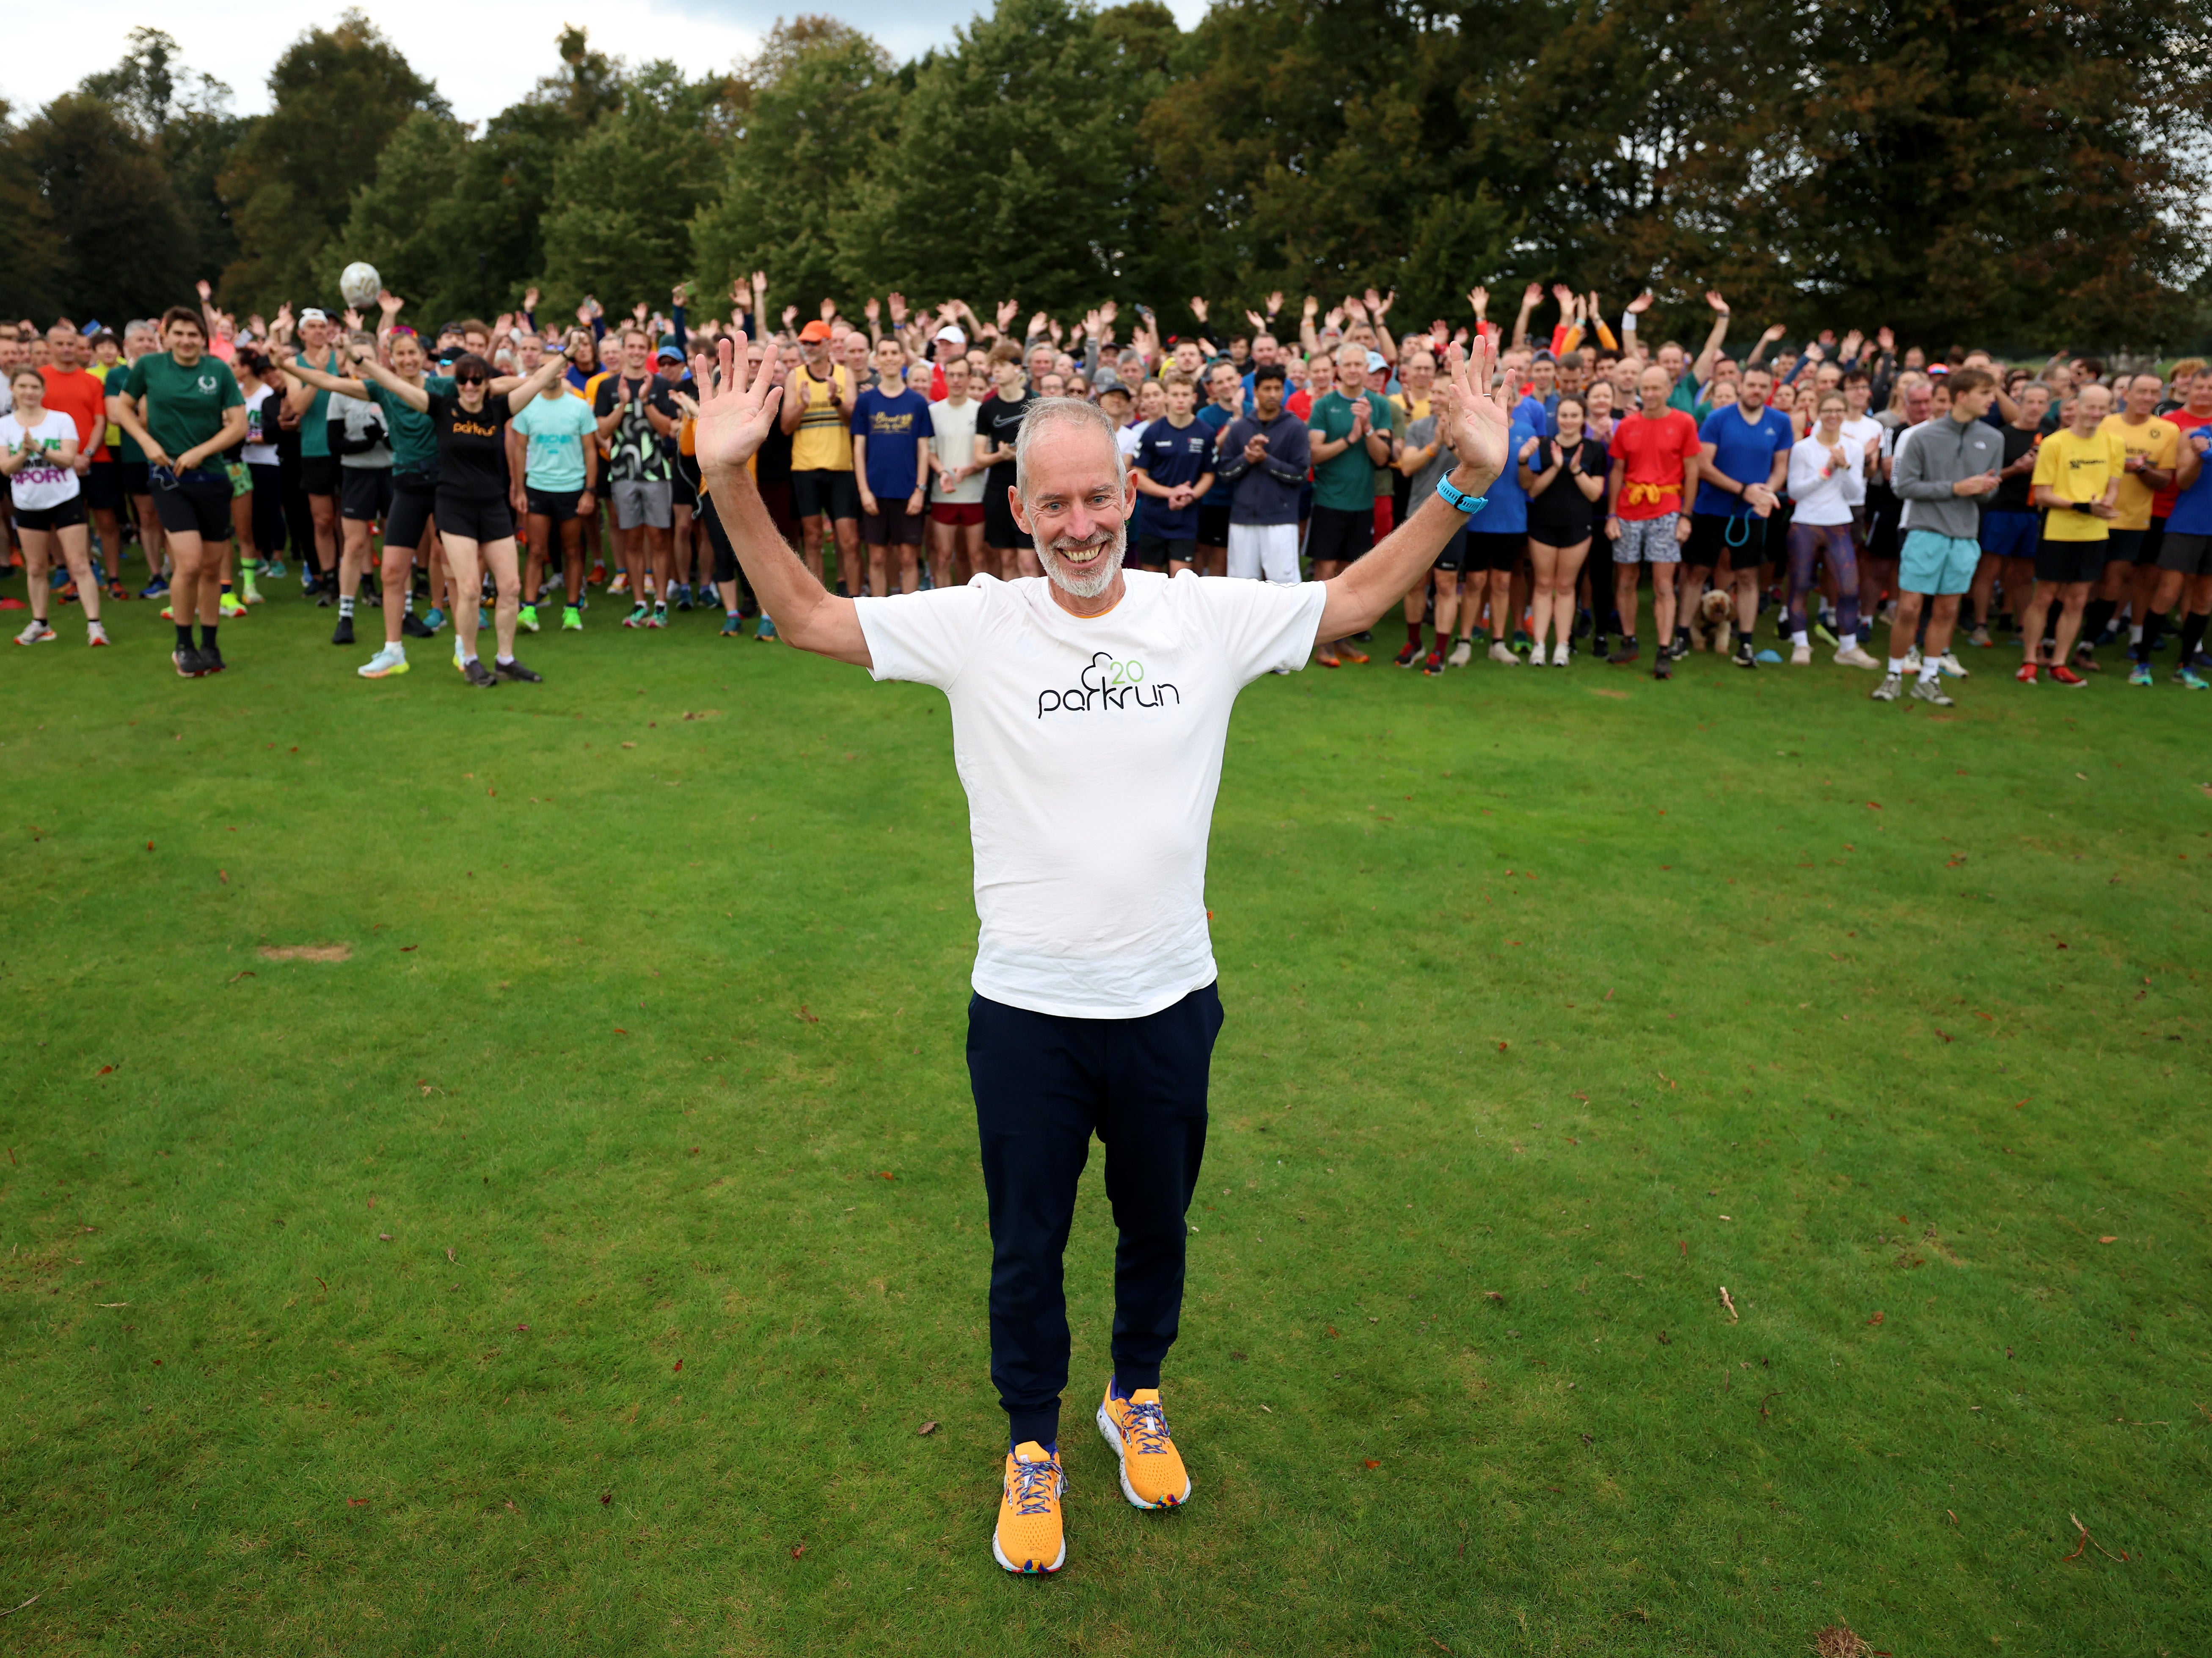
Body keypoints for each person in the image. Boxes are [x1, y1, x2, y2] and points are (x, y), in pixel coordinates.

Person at [689, 328, 1509, 1580]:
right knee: (1024, 1250)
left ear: (1128, 497)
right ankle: (1031, 1446)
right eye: (1054, 504)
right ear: (1017, 511)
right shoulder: (980, 625)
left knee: (1154, 1227)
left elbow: (1351, 601)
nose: (1078, 525)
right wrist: (731, 479)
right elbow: (803, 615)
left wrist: (1462, 480)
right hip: (1023, 1010)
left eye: (1096, 499)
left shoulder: (1202, 618)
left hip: (1168, 1000)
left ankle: (1135, 1392)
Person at [350, 346, 567, 685]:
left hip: (493, 506)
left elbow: (539, 379)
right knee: (468, 589)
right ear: (456, 384)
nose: (468, 386)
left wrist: (566, 354)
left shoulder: (498, 409)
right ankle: (469, 659)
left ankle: (506, 659)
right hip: (454, 507)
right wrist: (361, 361)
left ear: (485, 383)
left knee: (510, 587)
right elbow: (394, 385)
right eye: (463, 380)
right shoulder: (440, 407)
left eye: (475, 380)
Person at [108, 306, 248, 677]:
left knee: (211, 567)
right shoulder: (149, 368)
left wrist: (203, 451)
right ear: (165, 336)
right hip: (169, 479)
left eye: (194, 335)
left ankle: (210, 643)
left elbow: (238, 424)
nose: (187, 341)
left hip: (214, 478)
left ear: (203, 339)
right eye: (180, 333)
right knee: (188, 563)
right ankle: (183, 644)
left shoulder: (217, 370)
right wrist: (145, 441)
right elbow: (122, 407)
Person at [1874, 368, 2003, 700]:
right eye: (1985, 393)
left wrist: (1983, 488)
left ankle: (1928, 678)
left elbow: (1987, 495)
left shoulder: (1993, 439)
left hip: (1964, 536)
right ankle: (1893, 675)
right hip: (1924, 532)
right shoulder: (1921, 437)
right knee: (1908, 609)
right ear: (1962, 396)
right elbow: (1904, 487)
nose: (1992, 400)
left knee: (1946, 610)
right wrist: (1956, 488)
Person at [1684, 365, 1791, 667]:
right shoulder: (1718, 418)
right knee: (1697, 572)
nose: (1756, 391)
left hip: (1752, 515)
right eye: (1751, 385)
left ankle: (1745, 643)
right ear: (1740, 385)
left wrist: (1767, 493)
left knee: (1746, 576)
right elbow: (1703, 465)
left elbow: (1781, 465)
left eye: (1762, 386)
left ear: (1769, 389)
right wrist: (1743, 490)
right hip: (1711, 508)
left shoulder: (1780, 422)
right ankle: (1681, 634)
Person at [2017, 379, 2121, 687]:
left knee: (2077, 600)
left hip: (2094, 532)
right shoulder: (2054, 443)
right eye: (2091, 407)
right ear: (2076, 407)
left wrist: (2104, 505)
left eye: (2103, 408)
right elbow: (2042, 495)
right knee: (2045, 596)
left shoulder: (2113, 443)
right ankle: (2029, 660)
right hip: (2057, 530)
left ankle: (2059, 662)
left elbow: (2113, 486)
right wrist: (2081, 506)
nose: (2096, 413)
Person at [1604, 364, 1701, 678]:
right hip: (1629, 508)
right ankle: (1629, 641)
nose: (1649, 394)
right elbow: (1617, 471)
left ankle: (1663, 649)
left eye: (1656, 388)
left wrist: (1685, 515)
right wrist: (1612, 514)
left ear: (1669, 390)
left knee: (1662, 583)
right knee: (1626, 579)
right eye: (1645, 388)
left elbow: (1692, 470)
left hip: (1666, 508)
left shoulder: (1684, 422)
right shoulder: (1627, 425)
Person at [3, 365, 107, 647]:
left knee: (78, 563)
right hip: (28, 502)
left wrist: (39, 448)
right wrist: (24, 452)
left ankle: (95, 625)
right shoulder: (5, 425)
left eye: (35, 387)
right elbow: (5, 468)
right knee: (36, 567)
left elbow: (68, 458)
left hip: (65, 497)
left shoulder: (61, 420)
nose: (29, 392)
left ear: (43, 391)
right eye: (23, 386)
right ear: (13, 389)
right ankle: (40, 624)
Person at [1306, 341, 1394, 666]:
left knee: (1351, 574)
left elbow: (1383, 458)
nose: (1355, 370)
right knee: (1325, 572)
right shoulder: (1324, 405)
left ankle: (1341, 640)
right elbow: (1314, 454)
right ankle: (1320, 643)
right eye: (1350, 364)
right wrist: (1349, 439)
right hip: (1329, 500)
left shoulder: (1378, 405)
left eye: (1361, 365)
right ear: (1338, 368)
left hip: (1362, 503)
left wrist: (1368, 427)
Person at [2084, 372, 2177, 673]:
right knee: (2084, 582)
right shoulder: (2105, 422)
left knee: (2114, 581)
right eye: (2142, 392)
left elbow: (2163, 481)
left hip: (2132, 520)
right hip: (2093, 512)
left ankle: (2088, 642)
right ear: (2126, 394)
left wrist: (2139, 471)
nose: (2148, 398)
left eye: (2154, 393)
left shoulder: (2166, 430)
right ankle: (2059, 637)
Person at [1783, 393, 1881, 672]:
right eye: (1827, 410)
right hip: (1806, 523)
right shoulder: (1803, 449)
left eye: (1839, 410)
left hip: (1839, 523)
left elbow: (1854, 494)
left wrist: (1846, 467)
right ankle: (1801, 642)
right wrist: (1826, 471)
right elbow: (1795, 491)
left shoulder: (1853, 448)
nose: (1833, 415)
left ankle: (1848, 647)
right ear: (1818, 413)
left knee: (1849, 587)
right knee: (1800, 583)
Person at [595, 327, 681, 627]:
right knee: (631, 539)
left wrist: (645, 401)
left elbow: (667, 430)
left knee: (659, 538)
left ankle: (660, 604)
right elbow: (603, 432)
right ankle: (638, 604)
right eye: (629, 346)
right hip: (622, 473)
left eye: (640, 347)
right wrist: (622, 403)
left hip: (656, 472)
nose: (634, 352)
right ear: (622, 350)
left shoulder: (660, 383)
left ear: (648, 350)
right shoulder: (608, 387)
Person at [509, 360, 600, 633]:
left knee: (573, 551)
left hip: (571, 488)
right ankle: (529, 609)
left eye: (554, 368)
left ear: (562, 372)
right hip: (538, 487)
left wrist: (589, 491)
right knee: (535, 550)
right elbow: (519, 450)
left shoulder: (579, 407)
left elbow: (591, 451)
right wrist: (520, 489)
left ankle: (572, 610)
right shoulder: (527, 407)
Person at [1519, 394, 1606, 666]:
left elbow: (1595, 494)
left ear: (1583, 419)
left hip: (1578, 526)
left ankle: (1562, 646)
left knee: (1567, 586)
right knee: (1544, 584)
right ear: (1557, 419)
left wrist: (1576, 470)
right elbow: (1532, 488)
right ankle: (1540, 645)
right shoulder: (1544, 448)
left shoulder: (1594, 449)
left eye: (1574, 416)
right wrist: (1556, 469)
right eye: (1564, 416)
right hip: (1543, 524)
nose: (1568, 421)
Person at [2139, 365, 2212, 688]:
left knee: (2204, 597)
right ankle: (2142, 662)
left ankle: (2186, 666)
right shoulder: (2192, 435)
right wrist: (2199, 457)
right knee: (2168, 590)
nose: (2206, 393)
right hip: (2187, 521)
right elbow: (2182, 481)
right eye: (2201, 387)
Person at [782, 318, 862, 597]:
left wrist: (836, 400)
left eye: (813, 343)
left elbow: (854, 421)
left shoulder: (843, 375)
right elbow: (786, 427)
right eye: (804, 342)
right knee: (813, 538)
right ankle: (819, 601)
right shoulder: (796, 376)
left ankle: (854, 601)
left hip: (841, 467)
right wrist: (803, 404)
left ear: (828, 344)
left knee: (849, 540)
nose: (807, 347)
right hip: (805, 468)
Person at [1210, 362, 1308, 584]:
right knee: (1242, 587)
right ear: (1255, 391)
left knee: (1285, 588)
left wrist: (1266, 460)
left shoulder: (1296, 428)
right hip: (1243, 520)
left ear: (1284, 391)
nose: (1272, 394)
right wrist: (1246, 458)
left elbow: (1300, 475)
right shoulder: (1240, 428)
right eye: (1267, 389)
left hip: (1281, 521)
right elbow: (1225, 473)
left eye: (1277, 388)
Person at [1970, 382, 2048, 648]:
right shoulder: (2000, 437)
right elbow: (1985, 478)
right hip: (2001, 510)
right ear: (2020, 404)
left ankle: (2023, 626)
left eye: (2041, 403)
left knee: (2025, 573)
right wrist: (2016, 469)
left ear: (2048, 407)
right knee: (1990, 568)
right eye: (2030, 402)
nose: (2035, 408)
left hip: (2033, 513)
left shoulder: (2052, 438)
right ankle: (1980, 625)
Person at [852, 337, 931, 596]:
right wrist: (864, 491)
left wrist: (920, 490)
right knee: (876, 558)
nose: (889, 357)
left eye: (894, 353)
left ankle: (907, 620)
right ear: (876, 360)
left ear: (902, 359)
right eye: (883, 353)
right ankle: (878, 616)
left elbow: (923, 450)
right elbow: (859, 448)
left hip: (908, 492)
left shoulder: (917, 402)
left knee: (909, 558)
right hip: (874, 492)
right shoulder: (866, 402)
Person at [1129, 371, 1214, 574]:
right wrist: (1171, 493)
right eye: (1175, 394)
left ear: (1194, 398)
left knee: (1181, 580)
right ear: (1167, 397)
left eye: (1185, 395)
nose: (1180, 400)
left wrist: (1189, 496)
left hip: (1185, 518)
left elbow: (1209, 475)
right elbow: (1138, 475)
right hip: (1153, 518)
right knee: (1151, 581)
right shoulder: (1153, 432)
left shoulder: (1206, 433)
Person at [286, 307, 343, 598]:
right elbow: (297, 407)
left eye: (324, 327)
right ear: (302, 333)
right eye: (314, 327)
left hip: (346, 446)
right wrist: (318, 372)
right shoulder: (294, 364)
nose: (320, 331)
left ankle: (353, 577)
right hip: (315, 448)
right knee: (322, 519)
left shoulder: (341, 358)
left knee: (349, 517)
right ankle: (328, 578)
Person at [973, 344, 1035, 580]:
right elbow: (979, 457)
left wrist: (1019, 454)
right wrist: (1001, 456)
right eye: (994, 367)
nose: (996, 372)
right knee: (1006, 560)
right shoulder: (987, 409)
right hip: (999, 491)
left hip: (1029, 489)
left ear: (1017, 368)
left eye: (1002, 366)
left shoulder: (1035, 403)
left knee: (1028, 561)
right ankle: (1012, 613)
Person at [926, 357, 986, 590]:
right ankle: (944, 608)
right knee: (942, 556)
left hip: (974, 494)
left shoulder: (980, 411)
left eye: (962, 375)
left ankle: (978, 605)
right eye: (952, 375)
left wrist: (971, 469)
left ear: (970, 378)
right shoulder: (934, 412)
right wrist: (943, 471)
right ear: (945, 377)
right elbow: (929, 452)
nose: (957, 380)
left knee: (975, 556)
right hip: (944, 493)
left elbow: (987, 453)